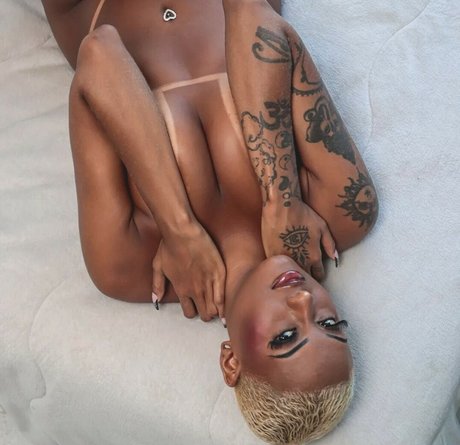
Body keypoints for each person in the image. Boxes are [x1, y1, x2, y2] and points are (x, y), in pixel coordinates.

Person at [41, 0, 378, 443]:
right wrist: (281, 197)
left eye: (286, 336)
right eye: (330, 325)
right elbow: (250, 13)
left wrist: (180, 229)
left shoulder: (124, 269)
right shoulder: (344, 211)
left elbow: (100, 53)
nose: (304, 302)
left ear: (231, 361)